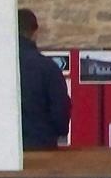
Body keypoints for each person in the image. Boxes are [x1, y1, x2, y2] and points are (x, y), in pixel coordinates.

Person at [17, 8, 71, 150]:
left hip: (2, 152)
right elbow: (60, 110)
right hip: (41, 145)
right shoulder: (47, 67)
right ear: (35, 32)